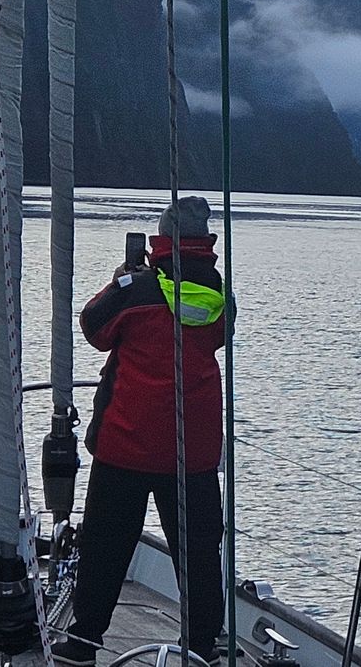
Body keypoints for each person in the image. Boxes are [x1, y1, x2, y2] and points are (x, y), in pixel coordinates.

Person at [55, 196, 231, 665]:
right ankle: (202, 647)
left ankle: (85, 641)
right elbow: (219, 337)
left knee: (105, 546)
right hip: (190, 452)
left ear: (162, 239)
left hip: (126, 445)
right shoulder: (220, 297)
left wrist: (120, 279)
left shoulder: (137, 290)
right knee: (197, 552)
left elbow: (94, 327)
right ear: (205, 243)